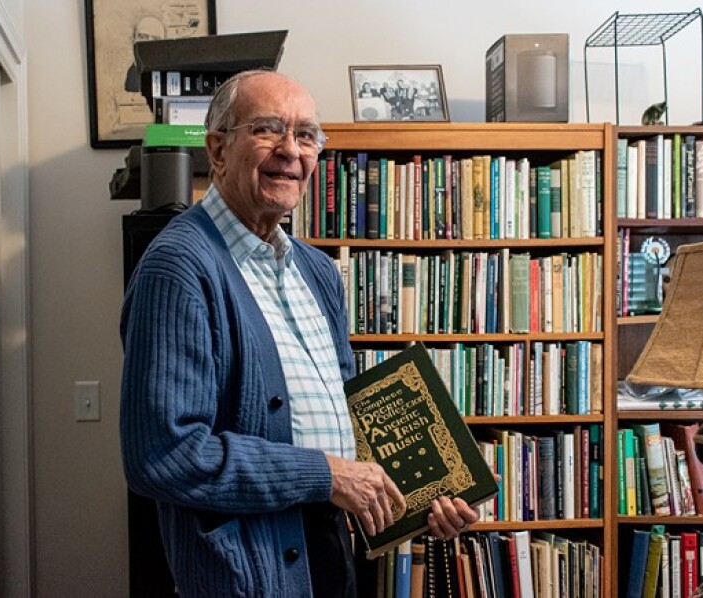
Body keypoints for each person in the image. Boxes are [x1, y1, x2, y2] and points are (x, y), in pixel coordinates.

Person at [119, 70, 479, 597]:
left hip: (331, 552)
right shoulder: (179, 266)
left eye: (307, 135)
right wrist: (327, 477)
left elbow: (343, 421)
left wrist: (422, 499)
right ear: (217, 149)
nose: (291, 151)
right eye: (268, 129)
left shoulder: (318, 270)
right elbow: (164, 454)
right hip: (248, 571)